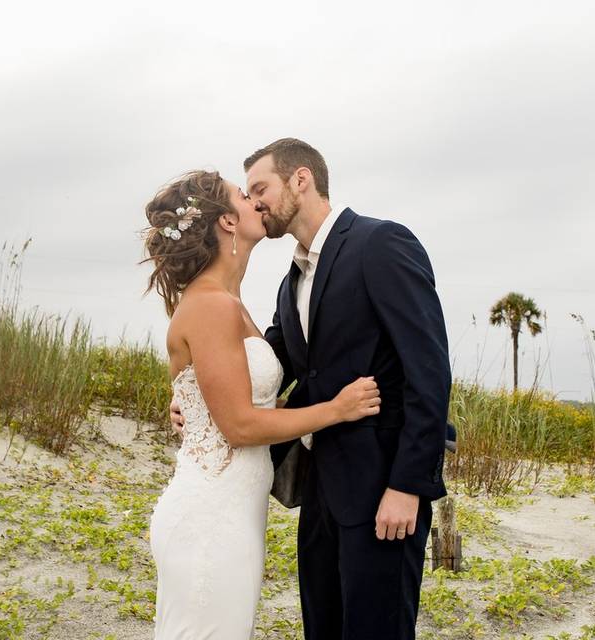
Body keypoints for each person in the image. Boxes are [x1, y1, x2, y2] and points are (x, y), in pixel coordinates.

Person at [174, 139, 452, 639]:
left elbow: (428, 371)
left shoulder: (381, 243)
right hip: (321, 497)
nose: (255, 202)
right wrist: (192, 400)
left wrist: (409, 485)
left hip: (384, 493)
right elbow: (263, 366)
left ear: (301, 180)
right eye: (249, 194)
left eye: (261, 189)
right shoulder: (292, 280)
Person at [142, 169, 381, 640]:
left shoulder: (232, 302)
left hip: (234, 511)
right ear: (227, 222)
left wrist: (190, 406)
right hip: (211, 516)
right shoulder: (213, 305)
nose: (256, 201)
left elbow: (224, 397)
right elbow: (240, 427)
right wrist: (337, 408)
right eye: (243, 195)